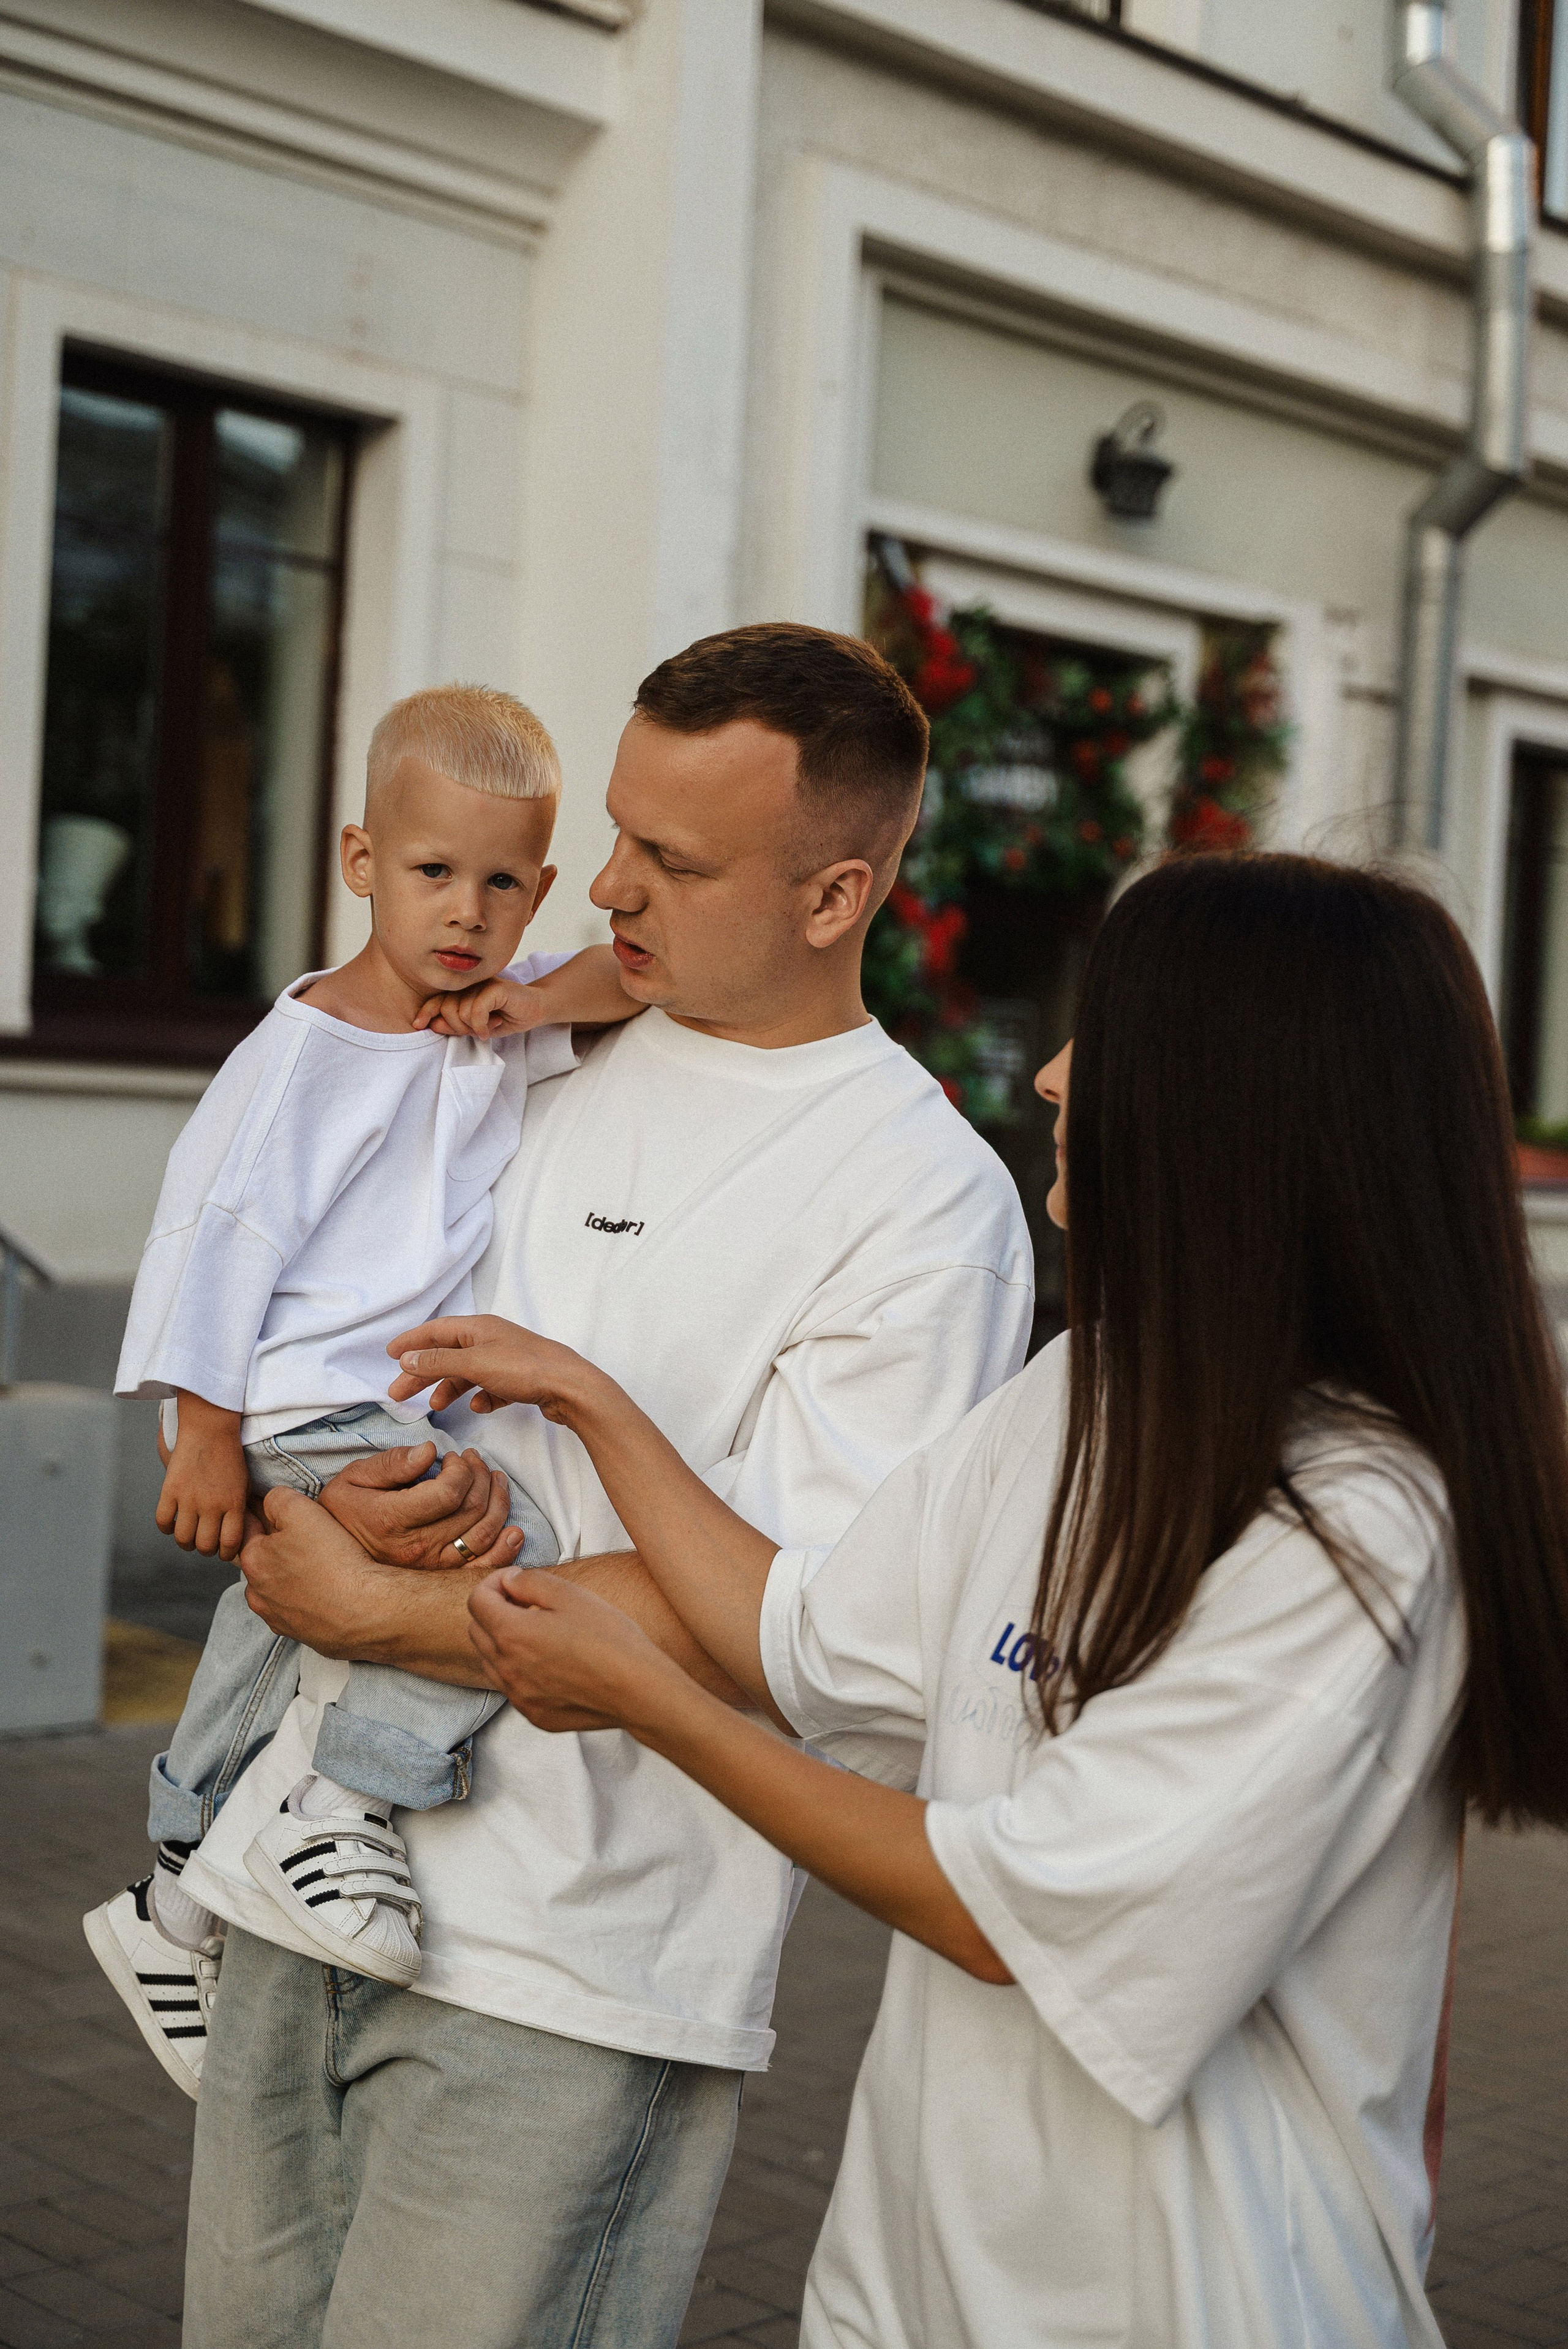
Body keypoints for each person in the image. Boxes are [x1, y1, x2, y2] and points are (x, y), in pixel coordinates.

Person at [444, 854, 1568, 2349]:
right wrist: (590, 1401)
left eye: (1100, 1034)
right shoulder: (1083, 1388)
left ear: (1233, 1105)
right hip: (903, 2296)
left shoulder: (1359, 1528)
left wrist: (646, 1704)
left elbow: (1005, 1909)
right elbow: (801, 1632)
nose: (1046, 1074)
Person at [174, 625, 1034, 2349]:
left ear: (834, 891)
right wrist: (282, 1489)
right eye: (622, 831)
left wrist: (374, 1608)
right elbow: (290, 1322)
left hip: (571, 1977)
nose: (609, 886)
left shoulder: (920, 1200)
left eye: (678, 859)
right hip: (285, 1886)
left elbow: (809, 1618)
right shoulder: (511, 1049)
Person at [86, 684, 639, 2075]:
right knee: (513, 1545)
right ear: (359, 863)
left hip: (378, 1403)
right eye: (432, 872)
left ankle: (177, 1871)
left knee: (294, 1616)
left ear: (541, 889)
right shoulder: (307, 1056)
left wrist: (528, 988)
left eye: (502, 884)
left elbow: (635, 976)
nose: (464, 910)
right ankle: (345, 1799)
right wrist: (202, 1429)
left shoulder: (486, 1022)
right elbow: (214, 1236)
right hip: (291, 1397)